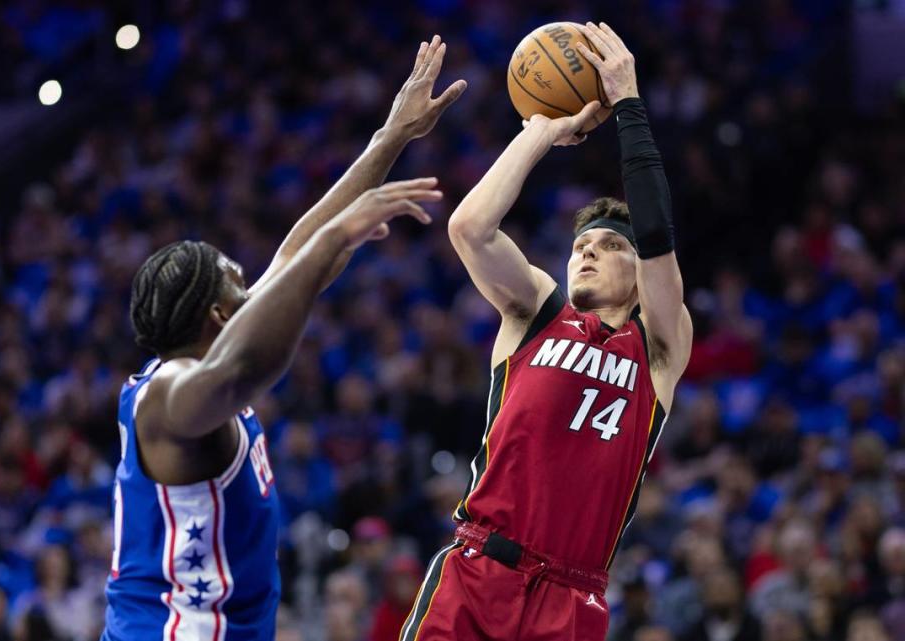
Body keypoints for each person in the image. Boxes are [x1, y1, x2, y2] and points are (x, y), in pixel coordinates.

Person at [102, 36, 466, 641]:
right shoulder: (169, 396)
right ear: (219, 315)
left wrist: (391, 137)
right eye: (240, 284)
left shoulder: (187, 365)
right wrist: (334, 240)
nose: (256, 288)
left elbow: (297, 257)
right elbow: (243, 367)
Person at [402, 23, 692, 641]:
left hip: (572, 595)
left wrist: (630, 107)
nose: (587, 253)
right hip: (478, 569)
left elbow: (660, 238)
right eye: (580, 245)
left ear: (639, 274)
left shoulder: (659, 349)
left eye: (610, 245)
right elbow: (470, 229)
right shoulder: (536, 312)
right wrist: (541, 134)